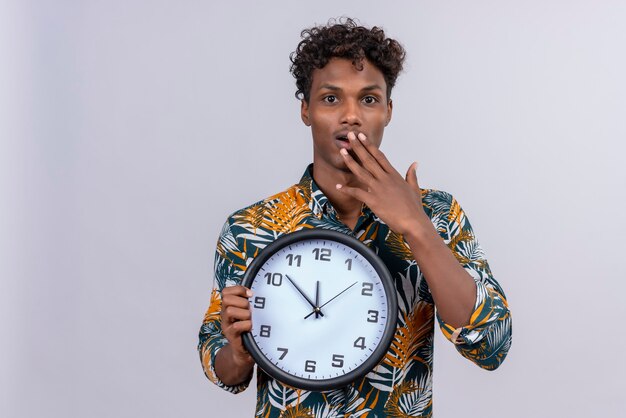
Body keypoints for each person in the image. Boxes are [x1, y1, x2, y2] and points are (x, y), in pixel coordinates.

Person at [198, 18, 512, 417]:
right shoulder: (252, 226)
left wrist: (415, 227)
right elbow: (220, 363)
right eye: (331, 99)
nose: (351, 115)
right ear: (305, 110)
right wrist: (238, 355)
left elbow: (491, 345)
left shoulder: (436, 212)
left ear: (388, 110)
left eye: (368, 99)